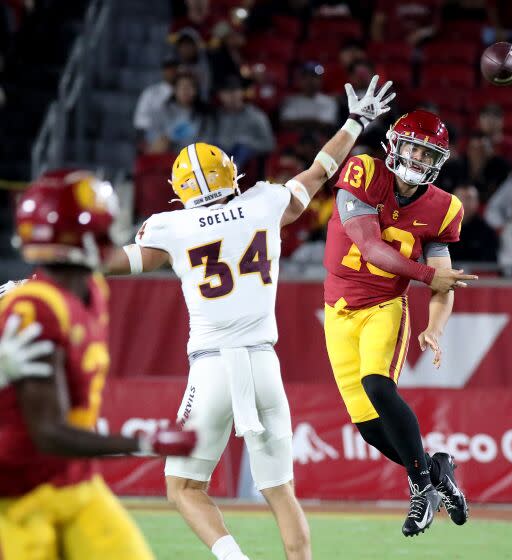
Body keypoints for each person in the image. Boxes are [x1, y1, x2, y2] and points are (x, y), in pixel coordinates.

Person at [100, 75, 400, 559]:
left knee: (183, 487)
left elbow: (120, 263)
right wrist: (354, 123)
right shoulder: (262, 202)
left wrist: (45, 275)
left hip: (213, 367)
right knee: (281, 492)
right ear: (229, 174)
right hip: (264, 364)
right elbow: (319, 173)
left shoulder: (170, 227)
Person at [0, 170, 196, 560]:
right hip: (21, 494)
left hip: (75, 482)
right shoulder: (35, 311)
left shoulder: (91, 291)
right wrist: (146, 442)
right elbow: (49, 435)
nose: (111, 239)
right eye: (105, 230)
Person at [323, 109, 476, 537]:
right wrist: (428, 277)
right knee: (369, 427)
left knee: (378, 385)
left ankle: (421, 488)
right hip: (337, 308)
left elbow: (444, 282)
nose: (417, 159)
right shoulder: (363, 171)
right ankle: (437, 468)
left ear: (439, 162)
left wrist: (435, 327)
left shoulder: (446, 208)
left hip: (383, 306)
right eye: (412, 147)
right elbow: (371, 248)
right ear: (394, 144)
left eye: (427, 154)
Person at [146, 71, 215, 154]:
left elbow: (207, 141)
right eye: (182, 87)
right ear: (175, 90)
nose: (186, 91)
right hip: (166, 156)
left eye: (190, 87)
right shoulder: (162, 110)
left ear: (196, 91)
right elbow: (153, 137)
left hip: (194, 158)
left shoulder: (205, 114)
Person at [214, 75, 275, 168]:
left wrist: (248, 143)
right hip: (218, 160)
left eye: (235, 90)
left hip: (247, 166)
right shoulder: (214, 116)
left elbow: (269, 144)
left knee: (242, 149)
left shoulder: (256, 115)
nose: (231, 95)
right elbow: (206, 139)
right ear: (220, 95)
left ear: (242, 92)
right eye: (227, 92)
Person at [133, 54, 179, 144]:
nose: (171, 71)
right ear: (163, 70)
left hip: (182, 138)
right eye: (168, 68)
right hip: (157, 140)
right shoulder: (151, 92)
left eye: (174, 68)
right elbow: (140, 121)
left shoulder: (187, 92)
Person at [451, 185, 498, 263]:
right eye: (461, 198)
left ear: (477, 202)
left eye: (470, 199)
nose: (465, 203)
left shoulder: (487, 232)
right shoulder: (440, 230)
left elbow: (490, 265)